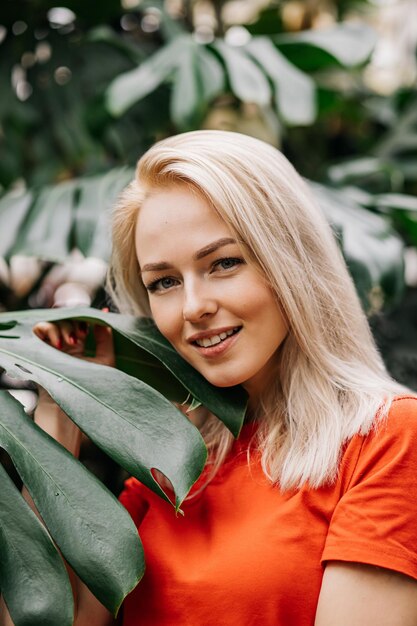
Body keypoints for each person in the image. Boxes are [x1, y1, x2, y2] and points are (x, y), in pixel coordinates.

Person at [3, 130, 417, 626]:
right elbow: (45, 619)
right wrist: (62, 398)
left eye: (223, 263)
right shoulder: (168, 473)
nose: (194, 307)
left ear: (292, 262)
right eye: (165, 282)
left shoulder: (387, 440)